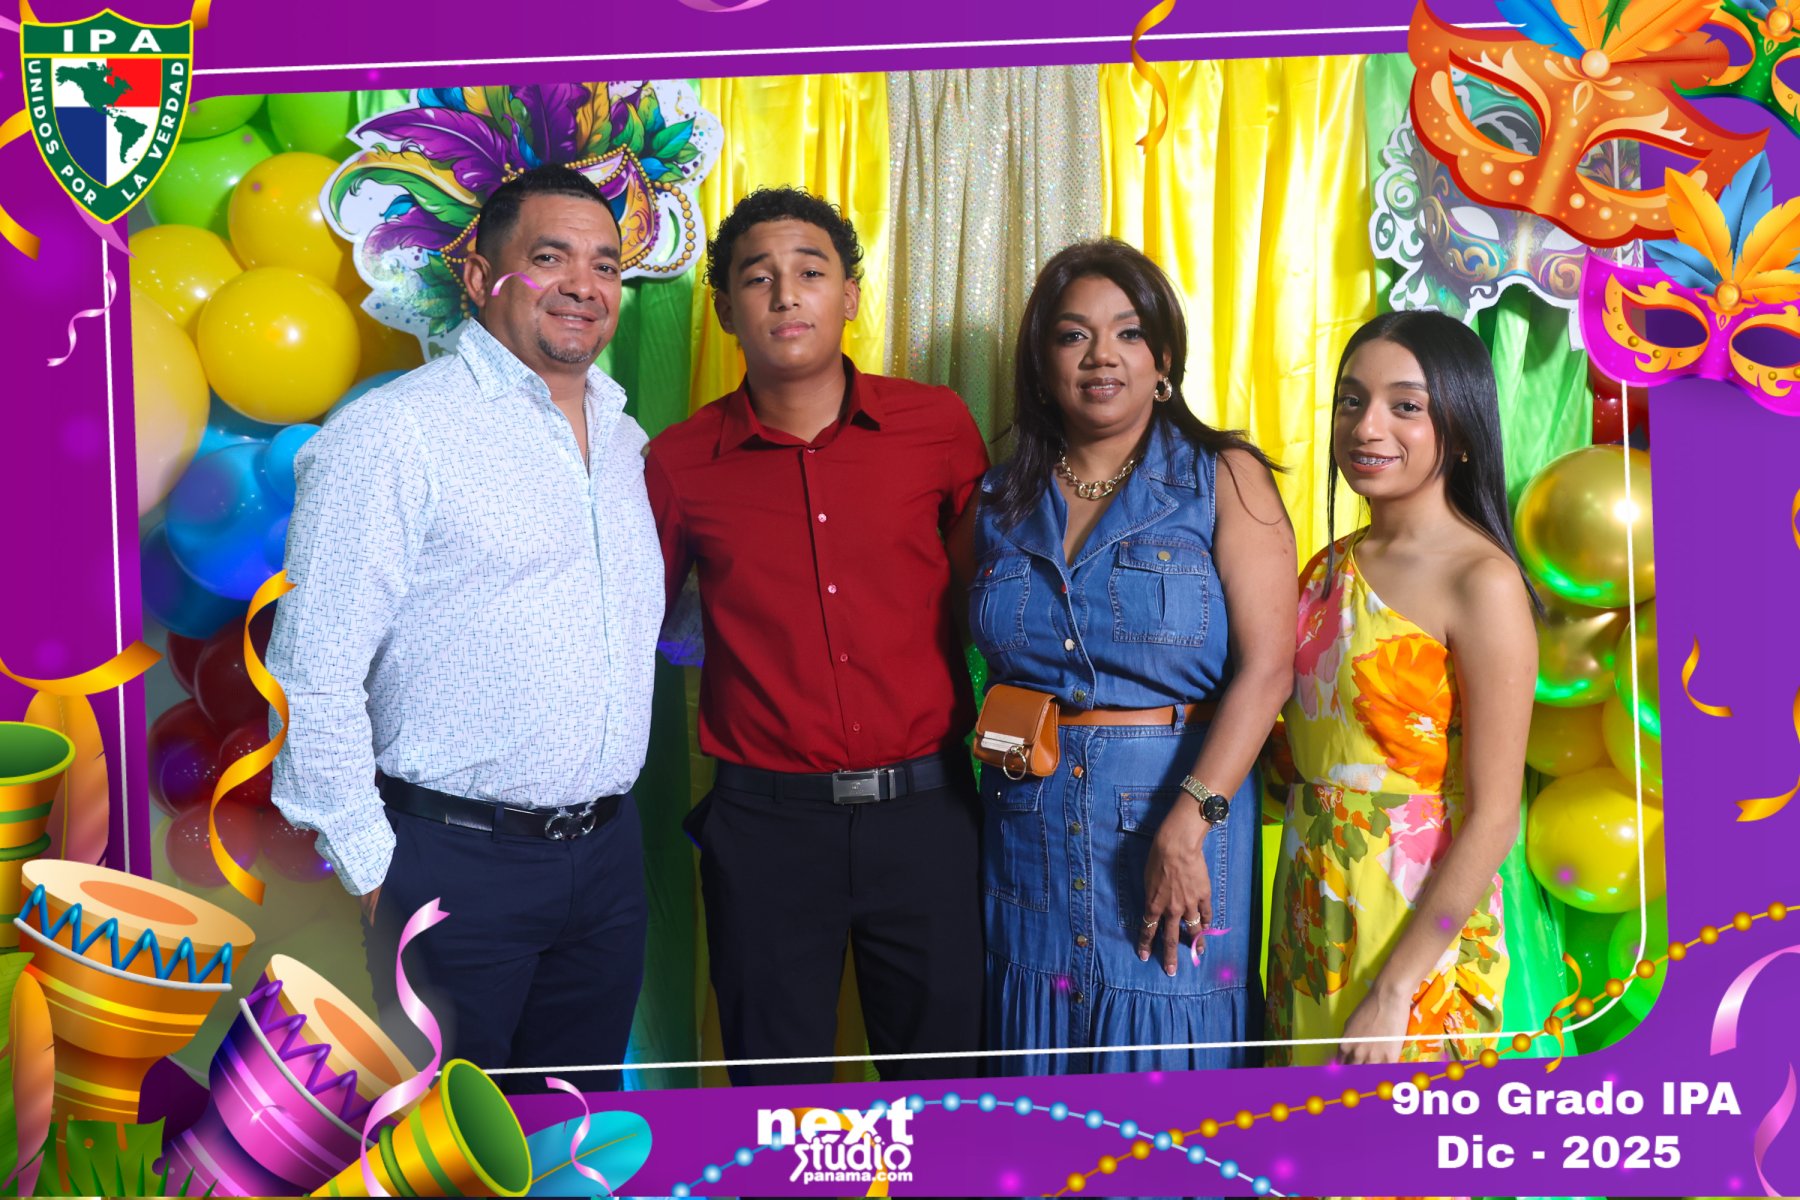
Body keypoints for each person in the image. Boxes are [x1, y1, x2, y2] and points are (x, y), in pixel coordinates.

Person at [266, 164, 663, 1089]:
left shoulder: (624, 438)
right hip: (453, 866)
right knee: (441, 1143)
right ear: (481, 276)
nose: (583, 284)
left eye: (606, 265)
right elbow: (309, 670)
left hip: (607, 863)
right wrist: (375, 867)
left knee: (572, 1135)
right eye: (550, 258)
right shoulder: (394, 435)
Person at [645, 186, 990, 1086]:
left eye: (810, 272)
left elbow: (992, 598)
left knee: (949, 1092)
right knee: (775, 1097)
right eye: (758, 278)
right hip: (765, 828)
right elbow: (630, 625)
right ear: (727, 310)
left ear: (851, 296)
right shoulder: (679, 462)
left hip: (929, 814)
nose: (786, 294)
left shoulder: (936, 426)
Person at [951, 239, 1296, 1074]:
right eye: (1073, 335)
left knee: (1165, 1061)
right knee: (1036, 1061)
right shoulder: (997, 500)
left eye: (1129, 333)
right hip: (1026, 826)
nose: (1101, 355)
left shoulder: (1224, 479)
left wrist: (1191, 819)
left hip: (1177, 813)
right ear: (1042, 365)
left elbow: (1270, 670)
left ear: (1163, 359)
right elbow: (949, 645)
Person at [1265, 309, 1536, 1066]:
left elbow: (1495, 817)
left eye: (1405, 405)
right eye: (1351, 401)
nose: (1367, 427)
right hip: (1310, 912)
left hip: (1416, 930)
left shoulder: (1482, 581)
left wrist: (1395, 989)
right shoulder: (1324, 568)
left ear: (1462, 428)